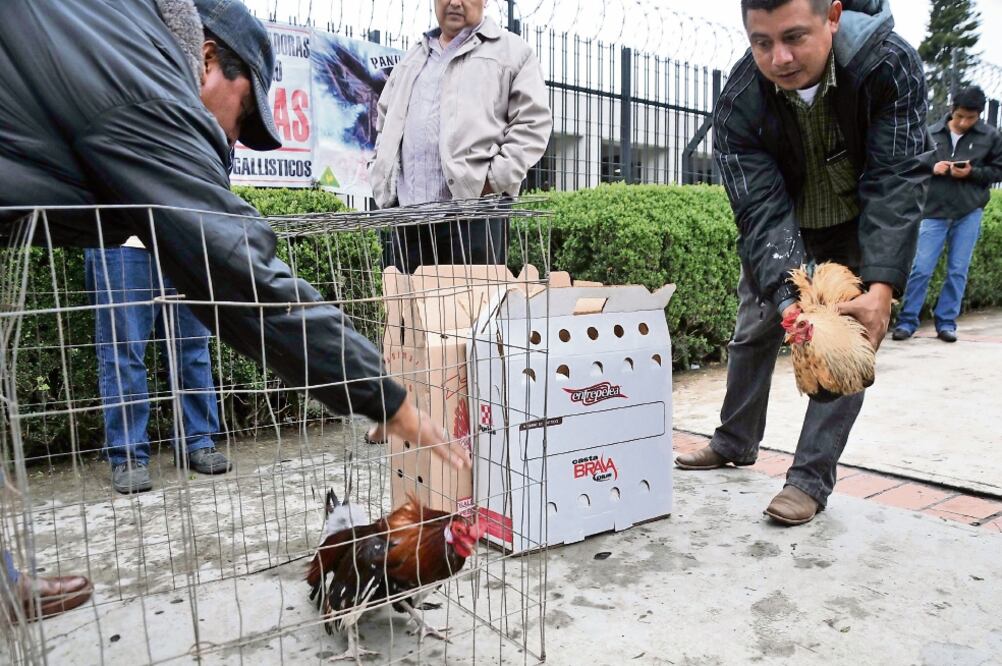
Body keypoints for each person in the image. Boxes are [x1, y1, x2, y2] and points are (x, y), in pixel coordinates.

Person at [0, 1, 468, 472]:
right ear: (206, 60)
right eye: (243, 113)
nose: (233, 137)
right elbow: (237, 269)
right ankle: (128, 455)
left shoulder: (108, 27)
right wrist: (386, 398)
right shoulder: (141, 79)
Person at [675, 0, 931, 526]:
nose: (780, 58)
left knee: (843, 346)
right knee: (755, 329)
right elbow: (760, 208)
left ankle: (810, 479)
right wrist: (792, 301)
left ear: (832, 16)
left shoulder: (886, 65)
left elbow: (895, 180)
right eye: (762, 42)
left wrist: (880, 285)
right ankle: (735, 440)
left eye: (794, 37)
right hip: (788, 221)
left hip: (855, 224)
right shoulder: (740, 99)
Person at [368, 0, 552, 273]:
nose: (454, 2)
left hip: (473, 216)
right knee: (408, 312)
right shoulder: (412, 60)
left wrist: (492, 180)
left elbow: (532, 123)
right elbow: (384, 121)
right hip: (409, 217)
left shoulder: (512, 53)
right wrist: (380, 171)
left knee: (472, 312)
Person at [892, 86, 1002, 343]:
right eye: (960, 115)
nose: (964, 122)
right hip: (933, 211)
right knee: (921, 268)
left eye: (971, 118)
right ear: (952, 110)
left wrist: (972, 173)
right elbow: (910, 166)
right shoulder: (930, 134)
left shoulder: (990, 137)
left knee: (957, 270)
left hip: (968, 212)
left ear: (979, 115)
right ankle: (907, 322)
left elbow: (998, 171)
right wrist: (932, 166)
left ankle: (946, 323)